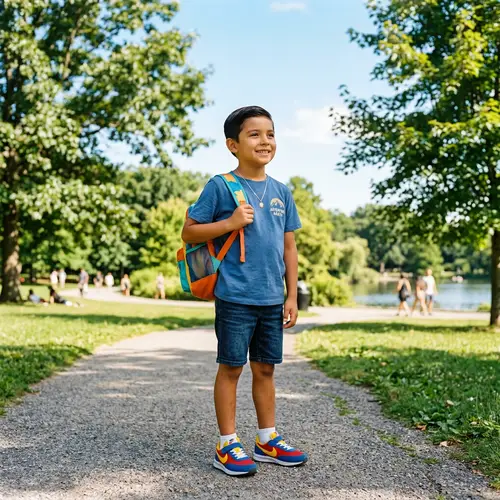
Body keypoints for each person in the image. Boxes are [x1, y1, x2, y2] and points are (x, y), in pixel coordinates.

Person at [182, 106, 307, 477]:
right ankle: (227, 444)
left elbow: (289, 248)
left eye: (269, 133)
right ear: (233, 145)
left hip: (272, 297)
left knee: (266, 369)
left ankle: (266, 439)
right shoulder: (221, 186)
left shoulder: (282, 191)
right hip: (236, 295)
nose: (264, 141)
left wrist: (291, 295)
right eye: (254, 134)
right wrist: (230, 222)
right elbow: (189, 232)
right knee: (232, 367)